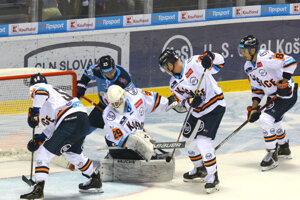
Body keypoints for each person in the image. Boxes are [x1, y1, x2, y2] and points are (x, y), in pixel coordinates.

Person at [20, 73, 103, 200]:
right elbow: (55, 126)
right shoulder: (55, 99)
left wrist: (34, 113)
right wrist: (41, 138)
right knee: (73, 154)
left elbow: (41, 91)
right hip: (82, 120)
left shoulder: (41, 88)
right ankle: (95, 179)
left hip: (70, 120)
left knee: (43, 153)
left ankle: (38, 188)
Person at [158, 49, 226, 194]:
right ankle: (200, 169)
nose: (165, 70)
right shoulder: (173, 84)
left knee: (203, 142)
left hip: (214, 106)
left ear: (171, 63)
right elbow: (181, 104)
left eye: (165, 66)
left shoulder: (194, 63)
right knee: (186, 141)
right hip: (197, 112)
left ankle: (213, 176)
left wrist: (211, 56)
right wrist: (190, 101)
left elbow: (220, 63)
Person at [239, 35, 298, 171]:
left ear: (253, 50)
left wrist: (284, 81)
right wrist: (254, 108)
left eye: (244, 50)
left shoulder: (266, 57)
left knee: (265, 119)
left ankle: (272, 153)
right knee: (275, 121)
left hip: (287, 94)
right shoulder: (248, 67)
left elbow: (290, 61)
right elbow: (257, 88)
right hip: (274, 96)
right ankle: (283, 147)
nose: (242, 54)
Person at [102, 85, 178, 161]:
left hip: (137, 136)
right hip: (117, 145)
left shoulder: (136, 96)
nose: (116, 105)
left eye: (118, 101)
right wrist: (143, 145)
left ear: (123, 95)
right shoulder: (109, 115)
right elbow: (122, 140)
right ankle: (114, 155)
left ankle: (151, 155)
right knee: (142, 154)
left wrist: (169, 103)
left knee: (145, 143)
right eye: (113, 103)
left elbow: (154, 100)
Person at [76, 55, 135, 135]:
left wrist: (127, 112)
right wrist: (82, 86)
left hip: (120, 108)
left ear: (114, 68)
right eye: (106, 73)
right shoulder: (96, 71)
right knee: (85, 129)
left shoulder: (124, 78)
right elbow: (87, 73)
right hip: (103, 105)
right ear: (101, 71)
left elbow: (133, 96)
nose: (110, 75)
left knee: (123, 134)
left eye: (111, 72)